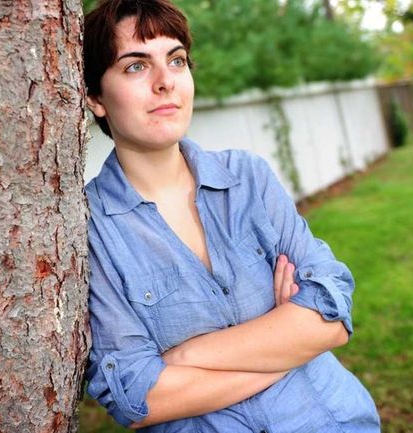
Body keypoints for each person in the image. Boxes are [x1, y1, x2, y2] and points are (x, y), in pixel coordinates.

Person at [82, 1, 381, 431]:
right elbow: (138, 395)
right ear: (96, 98)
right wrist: (287, 341)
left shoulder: (247, 178)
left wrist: (185, 357)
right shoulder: (93, 230)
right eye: (135, 67)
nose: (166, 82)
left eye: (177, 60)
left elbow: (331, 312)